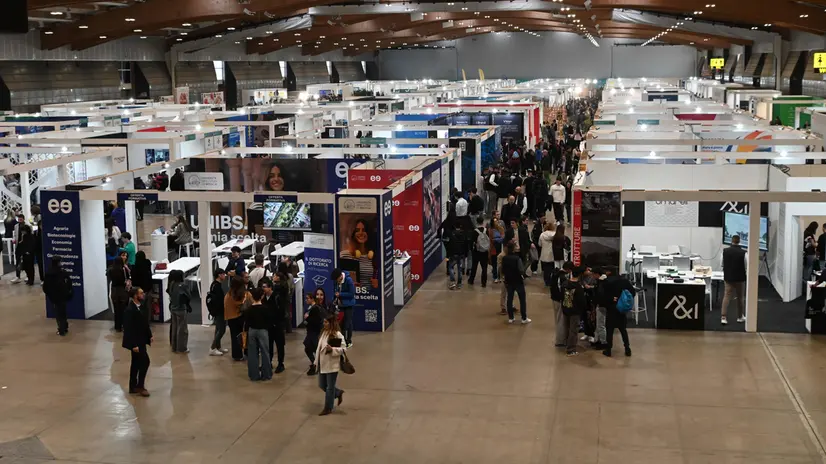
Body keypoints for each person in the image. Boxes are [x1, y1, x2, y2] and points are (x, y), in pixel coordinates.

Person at [315, 313, 347, 416]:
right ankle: (338, 393)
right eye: (324, 322)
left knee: (329, 387)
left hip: (332, 365)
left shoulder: (337, 335)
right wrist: (316, 362)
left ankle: (328, 407)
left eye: (326, 322)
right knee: (322, 384)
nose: (324, 324)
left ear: (331, 323)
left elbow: (343, 349)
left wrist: (332, 349)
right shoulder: (323, 333)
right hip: (322, 364)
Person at [122, 287, 152, 397]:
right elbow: (128, 328)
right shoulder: (130, 310)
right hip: (136, 342)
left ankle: (133, 386)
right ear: (135, 296)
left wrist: (149, 335)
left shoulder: (141, 307)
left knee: (135, 363)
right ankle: (140, 386)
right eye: (140, 293)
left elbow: (144, 323)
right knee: (145, 361)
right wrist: (133, 345)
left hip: (142, 339)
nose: (143, 294)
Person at [601, 266, 635, 357]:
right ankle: (627, 349)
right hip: (621, 309)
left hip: (611, 308)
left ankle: (608, 350)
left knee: (610, 330)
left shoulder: (606, 282)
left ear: (609, 272)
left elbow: (602, 296)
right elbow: (632, 292)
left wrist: (611, 300)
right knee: (623, 329)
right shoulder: (624, 281)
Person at [242, 287, 272, 381]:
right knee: (265, 353)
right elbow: (269, 322)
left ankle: (254, 375)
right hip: (263, 331)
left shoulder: (249, 310)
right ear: (262, 296)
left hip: (252, 331)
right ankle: (266, 374)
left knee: (252, 354)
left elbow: (246, 322)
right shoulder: (265, 309)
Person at [262, 277, 287, 374]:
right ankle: (269, 362)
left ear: (270, 288)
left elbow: (281, 311)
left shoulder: (277, 297)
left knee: (280, 345)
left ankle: (281, 363)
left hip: (277, 325)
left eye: (265, 287)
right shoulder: (263, 298)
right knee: (269, 345)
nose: (263, 289)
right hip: (268, 326)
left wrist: (278, 322)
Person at [501, 242, 530, 324]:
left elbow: (502, 270)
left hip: (508, 280)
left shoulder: (504, 258)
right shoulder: (517, 258)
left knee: (509, 299)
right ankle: (524, 318)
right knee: (522, 299)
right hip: (518, 280)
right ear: (514, 248)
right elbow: (521, 270)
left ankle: (511, 318)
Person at [43, 256, 73, 336]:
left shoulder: (49, 273)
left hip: (54, 296)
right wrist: (68, 292)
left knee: (58, 313)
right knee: (63, 312)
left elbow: (45, 287)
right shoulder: (63, 272)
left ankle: (61, 329)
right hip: (63, 295)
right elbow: (69, 282)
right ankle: (64, 327)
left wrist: (49, 294)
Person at [721, 234, 748, 325]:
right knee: (740, 297)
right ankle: (740, 317)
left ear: (731, 241)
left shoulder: (725, 251)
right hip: (740, 279)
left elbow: (722, 264)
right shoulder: (744, 253)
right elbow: (746, 266)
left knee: (726, 296)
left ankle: (723, 317)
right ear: (739, 241)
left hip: (728, 278)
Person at [562, 266, 587, 356]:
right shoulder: (578, 287)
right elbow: (582, 301)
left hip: (565, 308)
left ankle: (567, 344)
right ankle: (571, 349)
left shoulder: (565, 283)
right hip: (575, 311)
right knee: (573, 330)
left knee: (567, 328)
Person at [224, 277, 249, 362]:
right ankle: (247, 352)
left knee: (234, 337)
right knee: (245, 335)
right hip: (240, 317)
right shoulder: (244, 294)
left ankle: (237, 355)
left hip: (231, 318)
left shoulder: (228, 295)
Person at [167, 269, 190, 353]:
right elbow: (188, 296)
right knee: (182, 329)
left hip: (173, 308)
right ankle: (182, 348)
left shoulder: (171, 284)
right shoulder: (183, 286)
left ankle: (174, 346)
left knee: (175, 328)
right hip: (181, 308)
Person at [332, 268, 356, 348]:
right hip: (341, 305)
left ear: (340, 276)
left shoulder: (349, 280)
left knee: (347, 323)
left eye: (337, 280)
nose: (337, 281)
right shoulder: (336, 281)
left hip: (349, 305)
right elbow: (336, 290)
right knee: (342, 323)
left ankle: (348, 341)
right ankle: (343, 340)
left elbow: (352, 294)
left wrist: (341, 294)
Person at [108, 250, 131, 332]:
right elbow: (128, 278)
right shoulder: (123, 269)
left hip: (114, 291)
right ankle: (124, 325)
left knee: (116, 310)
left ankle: (117, 326)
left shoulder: (110, 270)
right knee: (124, 309)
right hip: (122, 291)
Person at [551, 262, 573, 347]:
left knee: (558, 319)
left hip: (554, 299)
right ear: (568, 269)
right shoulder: (562, 277)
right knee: (561, 320)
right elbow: (562, 291)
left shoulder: (555, 273)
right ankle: (560, 340)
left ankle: (561, 339)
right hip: (559, 300)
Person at [208, 269, 228, 356]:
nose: (225, 276)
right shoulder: (217, 287)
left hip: (216, 310)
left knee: (218, 329)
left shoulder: (214, 285)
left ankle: (218, 346)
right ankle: (212, 348)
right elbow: (219, 300)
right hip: (219, 311)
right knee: (221, 330)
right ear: (219, 275)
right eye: (223, 274)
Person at [447, 220, 471, 290]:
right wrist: (465, 253)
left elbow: (449, 245)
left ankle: (453, 282)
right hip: (461, 254)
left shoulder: (452, 234)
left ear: (454, 226)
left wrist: (448, 254)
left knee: (451, 267)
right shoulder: (464, 234)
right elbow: (466, 245)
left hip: (453, 254)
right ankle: (459, 284)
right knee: (459, 269)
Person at [131, 251, 153, 322]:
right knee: (148, 306)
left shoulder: (134, 267)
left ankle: (140, 321)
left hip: (138, 290)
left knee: (139, 306)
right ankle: (147, 321)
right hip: (148, 288)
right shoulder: (147, 264)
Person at [469, 215, 490, 287]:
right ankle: (484, 283)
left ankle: (471, 280)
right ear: (483, 222)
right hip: (485, 251)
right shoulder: (486, 230)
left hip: (477, 251)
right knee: (484, 268)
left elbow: (472, 241)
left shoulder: (475, 231)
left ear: (477, 222)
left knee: (474, 266)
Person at [12, 219, 35, 285]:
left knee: (30, 267)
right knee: (26, 267)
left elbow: (32, 245)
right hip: (24, 254)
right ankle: (29, 278)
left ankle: (31, 279)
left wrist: (29, 251)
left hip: (29, 254)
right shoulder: (24, 237)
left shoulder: (31, 237)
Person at [539, 222, 557, 286]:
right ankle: (553, 281)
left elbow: (539, 244)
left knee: (546, 270)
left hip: (544, 255)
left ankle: (547, 282)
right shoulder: (555, 234)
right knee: (553, 268)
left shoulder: (542, 235)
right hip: (553, 254)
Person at [489, 215, 505, 284]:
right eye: (495, 221)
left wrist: (496, 239)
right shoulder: (490, 230)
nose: (497, 222)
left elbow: (503, 238)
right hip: (493, 248)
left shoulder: (501, 229)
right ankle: (495, 277)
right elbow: (491, 240)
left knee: (500, 263)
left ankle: (500, 276)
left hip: (500, 247)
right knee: (494, 263)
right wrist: (497, 239)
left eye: (497, 221)